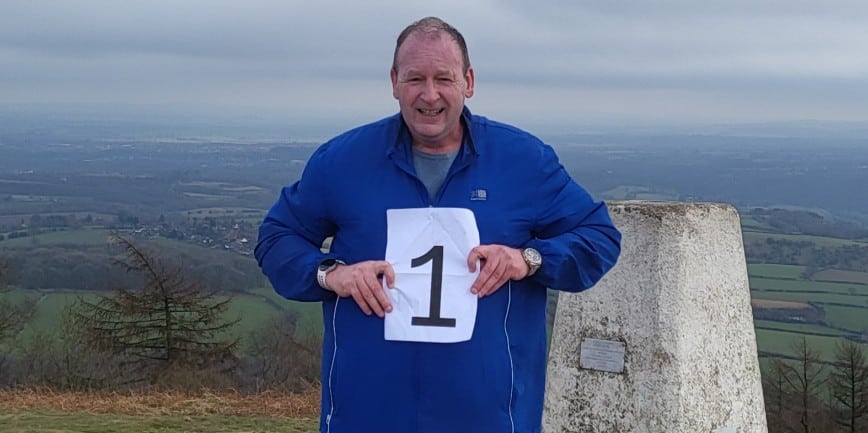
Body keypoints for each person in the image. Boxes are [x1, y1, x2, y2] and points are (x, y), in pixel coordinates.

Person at [255, 16, 621, 433]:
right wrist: (329, 274)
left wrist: (529, 259)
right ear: (394, 82)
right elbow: (276, 238)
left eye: (443, 78)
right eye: (415, 79)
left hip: (489, 420)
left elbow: (599, 237)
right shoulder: (341, 161)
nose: (430, 95)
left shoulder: (524, 161)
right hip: (365, 415)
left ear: (468, 81)